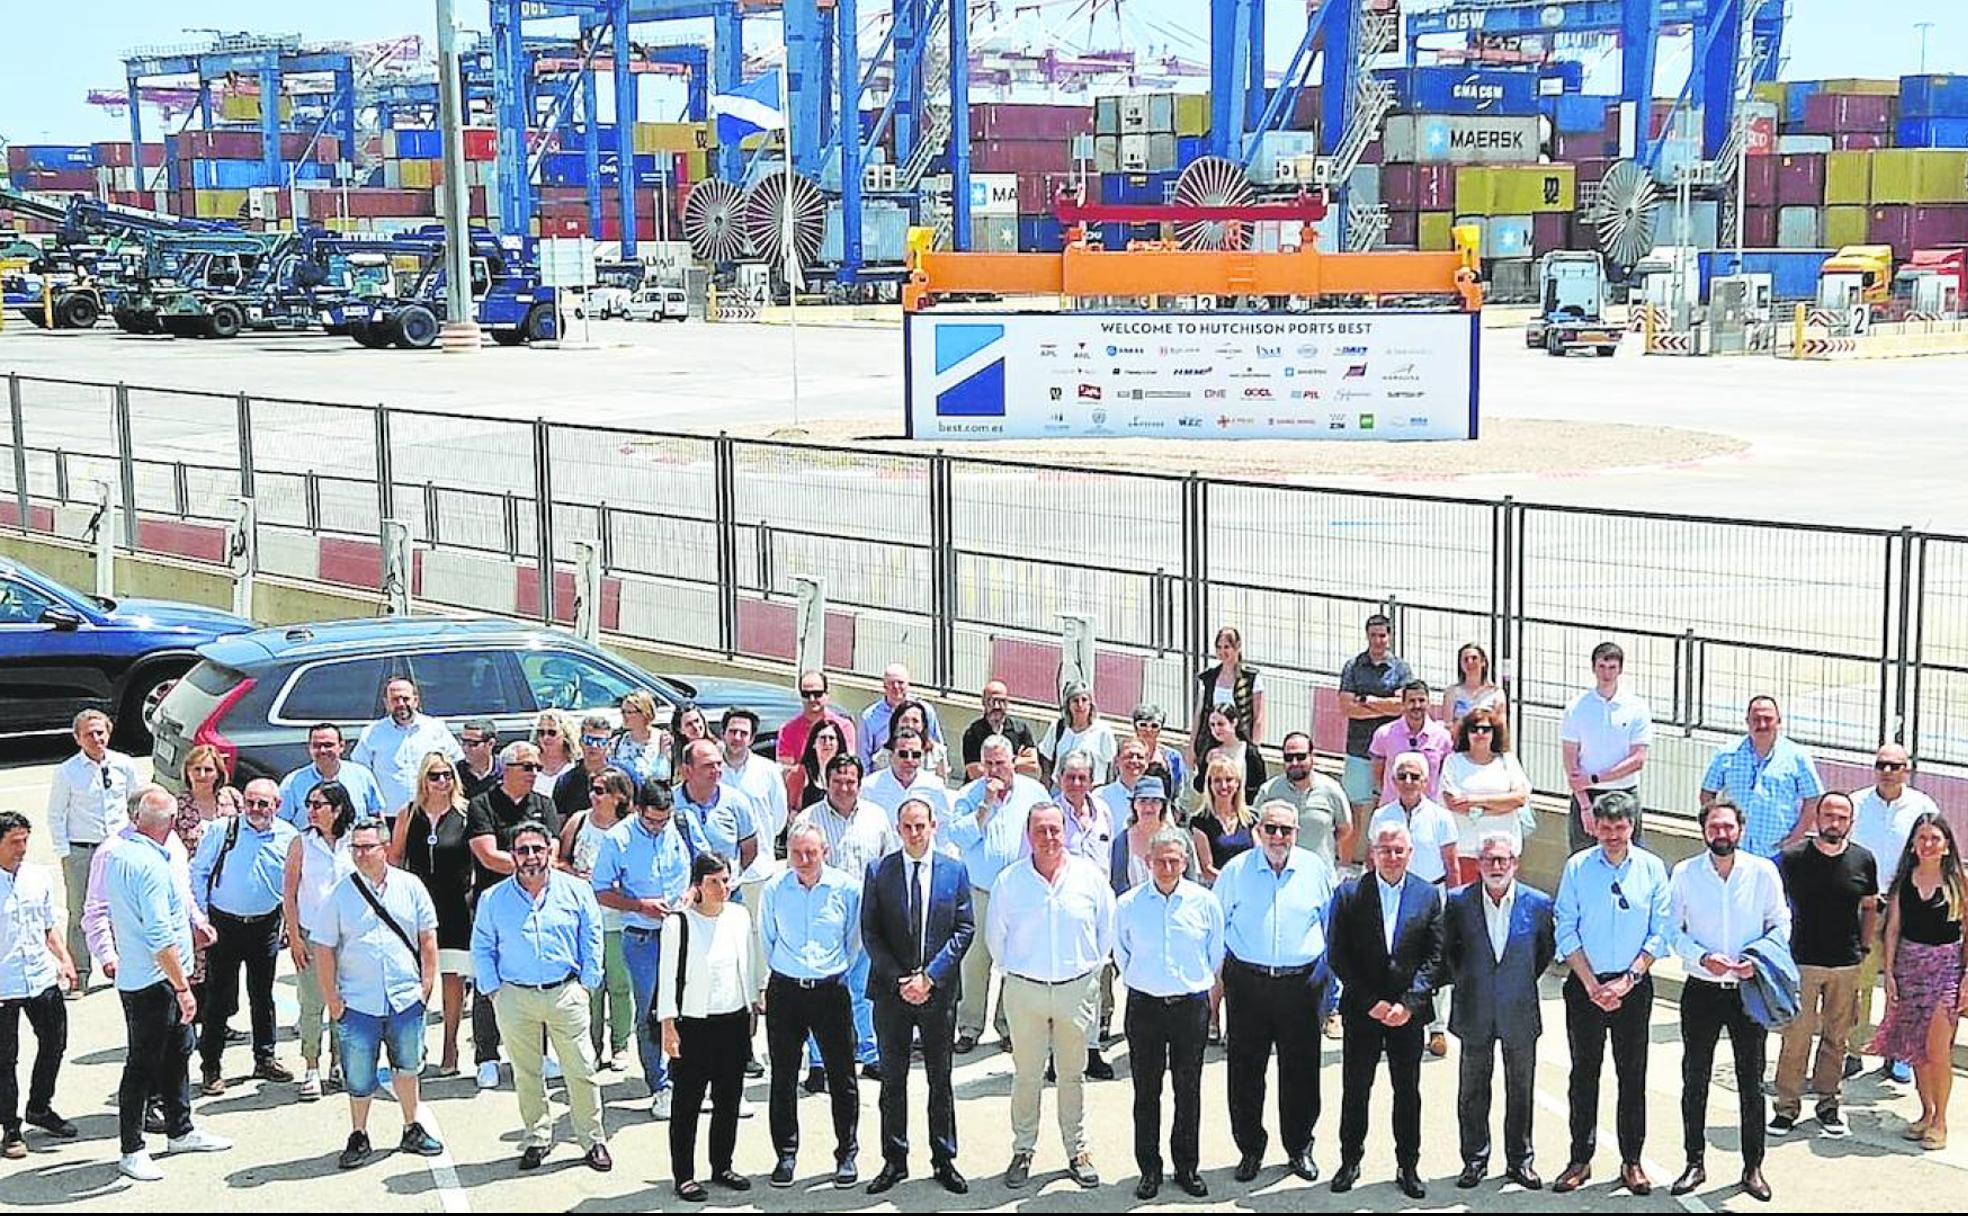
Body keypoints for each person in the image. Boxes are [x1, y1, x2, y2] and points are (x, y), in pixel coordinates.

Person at [469, 820, 611, 1172]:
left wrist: (588, 983)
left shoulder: (576, 891)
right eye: (522, 850)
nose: (531, 857)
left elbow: (592, 935)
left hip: (566, 992)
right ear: (512, 855)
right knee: (527, 1072)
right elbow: (482, 946)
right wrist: (493, 991)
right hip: (515, 996)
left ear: (550, 851)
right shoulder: (493, 898)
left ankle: (592, 1139)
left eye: (537, 849)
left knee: (581, 1070)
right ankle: (536, 1137)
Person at [105, 787, 232, 1182]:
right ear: (170, 823)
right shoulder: (148, 865)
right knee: (142, 1065)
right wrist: (182, 987)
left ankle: (181, 1129)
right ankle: (132, 1148)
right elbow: (159, 934)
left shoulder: (124, 853)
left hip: (151, 978)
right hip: (153, 983)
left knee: (179, 1050)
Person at [1668, 796, 1789, 1202]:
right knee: (1695, 1078)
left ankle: (1752, 1167)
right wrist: (1701, 957)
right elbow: (1672, 930)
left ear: (1740, 829)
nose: (1721, 833)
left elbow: (1780, 924)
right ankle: (1694, 1161)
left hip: (1747, 991)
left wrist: (1759, 961)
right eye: (1714, 827)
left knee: (1750, 1082)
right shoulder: (1685, 873)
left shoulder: (1763, 872)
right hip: (1701, 989)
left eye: (1728, 827)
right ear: (1704, 829)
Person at [990, 803, 1115, 1191]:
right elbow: (997, 938)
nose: (1048, 838)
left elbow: (1105, 929)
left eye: (1055, 830)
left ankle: (1077, 1151)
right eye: (1040, 830)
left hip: (1075, 988)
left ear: (1065, 832)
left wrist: (1089, 973)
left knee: (1072, 1075)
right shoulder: (1010, 881)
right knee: (1026, 1075)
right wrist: (1017, 974)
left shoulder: (1089, 877)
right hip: (1025, 990)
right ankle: (1023, 1149)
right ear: (1029, 835)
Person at [1551, 791, 1671, 1197]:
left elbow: (1660, 931)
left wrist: (1628, 980)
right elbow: (1565, 926)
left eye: (1621, 827)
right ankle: (1579, 1158)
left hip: (1632, 988)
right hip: (1586, 985)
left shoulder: (1653, 869)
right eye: (1606, 827)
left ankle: (1632, 1160)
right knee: (1583, 1074)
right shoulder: (1578, 867)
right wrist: (1590, 983)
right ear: (1594, 827)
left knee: (1631, 1074)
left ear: (1632, 826)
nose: (1613, 835)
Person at [313, 818, 444, 1170]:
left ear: (384, 848)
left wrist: (426, 986)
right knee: (359, 1076)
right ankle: (359, 1134)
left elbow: (427, 939)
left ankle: (411, 1126)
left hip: (404, 996)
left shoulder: (410, 886)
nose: (359, 854)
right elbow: (323, 947)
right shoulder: (341, 893)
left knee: (408, 1066)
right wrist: (333, 999)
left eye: (367, 847)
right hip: (358, 1001)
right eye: (354, 847)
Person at [1215, 800, 1335, 1185]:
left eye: (1286, 830)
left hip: (1301, 985)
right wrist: (1215, 990)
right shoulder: (1236, 871)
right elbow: (1216, 927)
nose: (1278, 837)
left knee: (1301, 1070)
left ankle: (1299, 1146)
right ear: (1258, 831)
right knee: (1245, 1071)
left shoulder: (1315, 869)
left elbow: (1330, 926)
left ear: (1297, 833)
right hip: (1248, 983)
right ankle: (1250, 1148)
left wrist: (1332, 987)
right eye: (1271, 829)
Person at [861, 798, 975, 1197]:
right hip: (892, 994)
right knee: (892, 1081)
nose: (914, 834)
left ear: (934, 826)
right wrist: (901, 979)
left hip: (938, 994)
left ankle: (944, 1159)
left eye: (921, 826)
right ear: (898, 828)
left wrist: (929, 977)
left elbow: (964, 929)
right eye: (907, 827)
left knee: (938, 1080)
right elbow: (870, 933)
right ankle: (894, 1159)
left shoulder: (954, 871)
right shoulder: (879, 871)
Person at [1328, 821, 1444, 1201]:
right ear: (1372, 852)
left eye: (1399, 851)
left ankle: (1407, 1165)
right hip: (1365, 1009)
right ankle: (1349, 1159)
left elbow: (1435, 956)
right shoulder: (1348, 895)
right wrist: (1370, 1003)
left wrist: (1409, 1004)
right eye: (1384, 850)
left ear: (1410, 854)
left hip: (1406, 1014)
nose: (1391, 857)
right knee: (1356, 1088)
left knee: (1407, 1091)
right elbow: (1338, 955)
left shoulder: (1427, 895)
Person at [1115, 826, 1224, 1201]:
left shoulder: (1204, 903)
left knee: (1187, 1089)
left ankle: (1187, 1166)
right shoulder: (1128, 905)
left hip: (1189, 1006)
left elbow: (1214, 953)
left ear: (1185, 862)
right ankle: (1149, 1168)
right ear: (1147, 862)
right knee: (1146, 1091)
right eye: (1159, 860)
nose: (1166, 867)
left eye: (1174, 861)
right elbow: (1121, 953)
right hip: (1144, 1005)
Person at [1443, 832, 1556, 1192]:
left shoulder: (1538, 904)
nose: (1496, 866)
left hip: (1519, 1009)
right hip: (1474, 1007)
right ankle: (1474, 1160)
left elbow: (1543, 953)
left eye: (1502, 860)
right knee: (1473, 1090)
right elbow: (1449, 952)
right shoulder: (1458, 902)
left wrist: (1514, 982)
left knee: (1520, 1090)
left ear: (1515, 864)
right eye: (1489, 859)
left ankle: (1519, 1160)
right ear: (1478, 864)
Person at [758, 822, 864, 1189]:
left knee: (842, 1075)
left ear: (825, 853)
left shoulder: (847, 889)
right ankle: (786, 1155)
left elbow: (854, 940)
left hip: (830, 990)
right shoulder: (775, 888)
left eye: (811, 853)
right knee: (784, 1077)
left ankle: (846, 1153)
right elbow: (767, 938)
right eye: (796, 853)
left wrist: (828, 970)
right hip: (786, 989)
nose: (803, 860)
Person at [593, 777, 704, 1119]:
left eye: (663, 820)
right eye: (651, 820)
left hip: (682, 930)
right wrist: (640, 905)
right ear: (638, 810)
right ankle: (660, 1085)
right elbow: (601, 890)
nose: (658, 826)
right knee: (652, 1012)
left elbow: (704, 866)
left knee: (691, 1006)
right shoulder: (618, 839)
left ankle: (690, 1077)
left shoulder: (682, 824)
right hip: (642, 937)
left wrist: (690, 894)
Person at [1773, 790, 1877, 1139]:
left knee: (1837, 1038)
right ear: (1817, 818)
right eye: (1828, 816)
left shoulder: (1864, 860)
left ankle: (1828, 1105)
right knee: (1796, 1038)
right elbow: (1772, 907)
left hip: (1846, 964)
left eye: (1842, 817)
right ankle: (1786, 1107)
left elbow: (1869, 906)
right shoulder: (1791, 859)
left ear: (1851, 822)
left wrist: (1864, 947)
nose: (1834, 823)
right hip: (1801, 961)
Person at [189, 777, 299, 1095]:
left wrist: (289, 924)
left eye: (263, 803)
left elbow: (294, 885)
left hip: (265, 925)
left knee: (262, 995)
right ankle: (211, 1066)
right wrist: (202, 918)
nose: (255, 809)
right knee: (218, 998)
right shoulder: (224, 830)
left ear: (277, 806)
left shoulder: (289, 837)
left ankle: (264, 1057)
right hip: (224, 925)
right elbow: (199, 871)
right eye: (250, 802)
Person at [658, 851, 757, 1203]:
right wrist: (668, 1027)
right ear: (697, 886)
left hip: (732, 1021)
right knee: (687, 1103)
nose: (722, 888)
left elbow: (749, 962)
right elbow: (667, 979)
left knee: (728, 1099)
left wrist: (754, 1006)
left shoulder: (739, 916)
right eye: (713, 882)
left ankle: (722, 1165)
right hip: (694, 1024)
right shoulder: (678, 923)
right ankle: (684, 1174)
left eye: (726, 880)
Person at [464, 742, 563, 1090]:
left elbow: (553, 850)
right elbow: (488, 855)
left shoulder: (544, 805)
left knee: (537, 974)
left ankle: (538, 1052)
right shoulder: (482, 805)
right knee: (489, 978)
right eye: (528, 767)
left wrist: (529, 863)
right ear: (507, 769)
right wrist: (528, 865)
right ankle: (487, 1056)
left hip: (538, 902)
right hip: (494, 903)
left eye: (537, 767)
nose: (535, 772)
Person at [794, 754, 899, 1077]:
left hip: (866, 917)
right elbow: (796, 869)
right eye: (837, 781)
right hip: (822, 917)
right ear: (826, 781)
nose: (844, 787)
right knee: (819, 995)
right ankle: (818, 1063)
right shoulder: (808, 820)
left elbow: (889, 866)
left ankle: (869, 1054)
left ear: (860, 783)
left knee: (864, 990)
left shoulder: (876, 818)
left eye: (850, 781)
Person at [945, 735, 1052, 1053]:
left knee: (1016, 960)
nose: (994, 770)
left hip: (1021, 892)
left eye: (1000, 764)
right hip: (980, 891)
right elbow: (958, 837)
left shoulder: (1034, 792)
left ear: (1012, 763)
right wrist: (985, 807)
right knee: (974, 962)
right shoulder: (969, 794)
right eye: (988, 764)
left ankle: (1007, 1025)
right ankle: (969, 1026)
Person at [1869, 811, 1968, 1152]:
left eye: (1935, 839)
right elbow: (1892, 929)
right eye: (1922, 838)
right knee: (1917, 1050)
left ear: (1946, 845)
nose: (1928, 844)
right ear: (1913, 843)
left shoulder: (1959, 882)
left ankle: (1941, 1121)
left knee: (1937, 1050)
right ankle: (1925, 1113)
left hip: (1946, 971)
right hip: (1909, 970)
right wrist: (1891, 973)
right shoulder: (1903, 882)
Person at [1846, 742, 1935, 1081]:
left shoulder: (1922, 806)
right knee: (1859, 982)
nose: (1887, 772)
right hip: (1865, 906)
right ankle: (1852, 1052)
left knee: (1903, 983)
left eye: (1895, 766)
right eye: (1882, 765)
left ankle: (1898, 1054)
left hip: (1907, 907)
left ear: (1907, 770)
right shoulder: (1856, 803)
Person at [390, 754, 476, 1078]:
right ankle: (415, 1044)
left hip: (456, 906)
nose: (442, 782)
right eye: (435, 776)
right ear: (423, 780)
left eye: (447, 775)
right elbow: (395, 859)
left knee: (453, 978)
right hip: (417, 907)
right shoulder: (409, 814)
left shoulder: (467, 814)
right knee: (416, 979)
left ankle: (450, 1047)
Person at [0, 811, 77, 1160]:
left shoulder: (37, 876)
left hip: (40, 975)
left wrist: (64, 958)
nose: (22, 848)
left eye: (25, 840)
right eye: (15, 842)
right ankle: (10, 1128)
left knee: (55, 1042)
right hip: (4, 984)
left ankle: (40, 1107)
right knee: (5, 1059)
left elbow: (47, 924)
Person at [47, 708, 141, 993]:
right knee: (80, 913)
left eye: (101, 732)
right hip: (82, 850)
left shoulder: (123, 765)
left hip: (117, 849)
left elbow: (135, 804)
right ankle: (80, 974)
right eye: (89, 734)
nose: (96, 739)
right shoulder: (67, 772)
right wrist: (65, 852)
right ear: (77, 738)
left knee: (122, 908)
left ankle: (123, 967)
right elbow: (56, 814)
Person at [282, 778, 354, 1101]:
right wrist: (294, 936)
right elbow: (290, 893)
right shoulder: (301, 843)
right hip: (313, 934)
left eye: (318, 805)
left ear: (337, 810)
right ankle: (311, 1066)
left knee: (345, 1001)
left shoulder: (354, 842)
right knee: (312, 1002)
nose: (311, 811)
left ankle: (340, 1064)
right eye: (309, 805)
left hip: (348, 934)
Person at [561, 767, 637, 1073]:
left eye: (602, 790)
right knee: (589, 985)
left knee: (620, 985)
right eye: (593, 789)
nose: (595, 795)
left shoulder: (631, 828)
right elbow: (560, 859)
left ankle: (621, 1045)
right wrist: (577, 877)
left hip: (619, 917)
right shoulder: (579, 821)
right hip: (583, 919)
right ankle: (591, 1047)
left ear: (619, 796)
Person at [1701, 695, 1825, 859]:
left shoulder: (1797, 756)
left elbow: (1813, 799)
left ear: (1778, 721)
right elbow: (1707, 793)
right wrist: (1719, 828)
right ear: (1747, 721)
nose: (1762, 724)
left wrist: (1795, 837)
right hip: (1736, 851)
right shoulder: (1726, 754)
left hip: (1777, 852)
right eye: (1756, 719)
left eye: (1768, 719)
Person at [1560, 642, 1653, 852]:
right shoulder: (1577, 707)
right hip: (1587, 795)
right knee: (1582, 857)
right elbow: (1570, 761)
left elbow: (1637, 760)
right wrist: (1584, 804)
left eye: (1612, 667)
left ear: (1620, 669)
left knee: (1630, 856)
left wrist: (1596, 778)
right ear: (1593, 668)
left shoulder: (1636, 707)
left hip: (1624, 793)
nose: (1607, 673)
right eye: (1602, 666)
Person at [1338, 614, 1414, 864]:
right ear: (1367, 636)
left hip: (1390, 753)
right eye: (1374, 635)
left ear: (1390, 636)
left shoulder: (1401, 669)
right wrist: (1385, 704)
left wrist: (1367, 701)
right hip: (1359, 751)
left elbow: (1401, 707)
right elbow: (1347, 707)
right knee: (1354, 816)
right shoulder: (1353, 666)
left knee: (1384, 817)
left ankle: (1377, 871)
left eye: (1383, 635)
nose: (1378, 640)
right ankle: (1344, 869)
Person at [1440, 707, 1534, 884]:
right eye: (1474, 729)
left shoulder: (1507, 760)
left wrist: (1474, 801)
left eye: (1486, 729)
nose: (1480, 733)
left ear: (1494, 733)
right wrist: (1501, 807)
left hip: (1502, 851)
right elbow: (1453, 803)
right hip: (1465, 850)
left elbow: (1519, 799)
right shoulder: (1453, 761)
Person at [351, 677, 463, 820]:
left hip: (430, 814)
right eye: (395, 700)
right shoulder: (371, 733)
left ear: (415, 700)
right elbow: (360, 774)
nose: (401, 704)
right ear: (386, 703)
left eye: (405, 699)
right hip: (390, 816)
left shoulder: (436, 729)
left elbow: (457, 764)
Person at [1257, 731, 1352, 872]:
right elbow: (1255, 828)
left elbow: (1345, 829)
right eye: (1288, 757)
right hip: (1277, 874)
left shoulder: (1332, 790)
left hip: (1319, 873)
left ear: (1313, 757)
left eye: (1300, 757)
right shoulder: (1269, 791)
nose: (1294, 763)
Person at [1369, 752, 1459, 891]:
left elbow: (1452, 866)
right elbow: (1372, 858)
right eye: (1402, 776)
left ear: (1425, 782)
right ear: (1394, 781)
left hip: (1431, 892)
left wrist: (1454, 906)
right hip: (1390, 892)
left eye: (1415, 777)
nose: (1408, 781)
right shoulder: (1381, 816)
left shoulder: (1442, 817)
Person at [675, 739, 761, 881]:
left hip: (726, 892)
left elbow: (749, 847)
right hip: (683, 893)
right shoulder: (672, 802)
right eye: (708, 765)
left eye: (719, 764)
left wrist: (729, 877)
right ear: (687, 770)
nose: (716, 770)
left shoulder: (737, 801)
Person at [277, 723, 386, 830]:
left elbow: (377, 817)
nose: (323, 750)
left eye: (328, 745)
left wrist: (384, 843)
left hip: (355, 845)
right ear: (309, 748)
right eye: (317, 746)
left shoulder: (362, 776)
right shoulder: (292, 782)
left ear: (342, 746)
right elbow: (280, 824)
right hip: (310, 846)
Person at [1108, 777, 1200, 896]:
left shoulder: (1181, 838)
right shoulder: (1122, 841)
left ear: (1162, 805)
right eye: (1143, 801)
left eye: (1154, 801)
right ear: (1134, 805)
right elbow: (1118, 885)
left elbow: (1192, 881)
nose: (1148, 807)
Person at [1370, 681, 1453, 809]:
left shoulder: (1443, 737)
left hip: (1428, 811)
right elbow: (1378, 774)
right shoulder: (1384, 734)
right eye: (1411, 701)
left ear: (1428, 703)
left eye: (1421, 700)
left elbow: (1444, 776)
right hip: (1392, 808)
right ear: (1403, 704)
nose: (1417, 705)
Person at [719, 708, 789, 852]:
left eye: (743, 733)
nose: (737, 737)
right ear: (723, 734)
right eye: (732, 731)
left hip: (759, 866)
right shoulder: (711, 769)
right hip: (719, 864)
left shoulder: (768, 770)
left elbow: (779, 818)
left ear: (751, 739)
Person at [859, 664, 945, 768]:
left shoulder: (925, 711)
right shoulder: (870, 717)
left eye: (900, 682)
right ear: (884, 686)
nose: (896, 687)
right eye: (891, 683)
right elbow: (863, 756)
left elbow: (937, 746)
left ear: (908, 684)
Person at [863, 727, 951, 827]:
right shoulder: (869, 787)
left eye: (916, 755)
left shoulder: (935, 786)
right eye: (903, 754)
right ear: (891, 756)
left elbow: (945, 823)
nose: (909, 760)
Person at [1195, 624, 1266, 749]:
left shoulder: (1251, 678)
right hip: (1211, 744)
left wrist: (1254, 748)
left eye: (1227, 647)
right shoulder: (1209, 677)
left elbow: (1258, 718)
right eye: (1219, 647)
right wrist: (1192, 746)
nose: (1222, 651)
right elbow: (1199, 715)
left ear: (1237, 646)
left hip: (1240, 743)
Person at [776, 669, 859, 775]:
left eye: (817, 694)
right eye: (806, 694)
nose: (811, 699)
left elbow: (848, 768)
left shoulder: (845, 727)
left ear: (826, 694)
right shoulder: (787, 730)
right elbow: (785, 772)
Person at [1191, 754, 1257, 886]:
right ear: (1209, 784)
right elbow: (1207, 869)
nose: (1224, 785)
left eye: (1229, 779)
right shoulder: (1200, 822)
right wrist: (1234, 882)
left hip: (1249, 886)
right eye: (1217, 780)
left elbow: (1259, 856)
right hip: (1217, 888)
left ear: (1237, 783)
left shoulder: (1251, 819)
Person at [1038, 680, 1117, 787]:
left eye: (1084, 700)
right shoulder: (1058, 727)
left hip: (1092, 790)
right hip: (1060, 789)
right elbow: (1046, 756)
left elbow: (1111, 763)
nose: (1080, 705)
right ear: (1068, 705)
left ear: (1091, 704)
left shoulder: (1103, 731)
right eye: (1075, 700)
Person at [961, 679, 1041, 781]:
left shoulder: (1020, 729)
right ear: (983, 702)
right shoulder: (973, 733)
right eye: (991, 701)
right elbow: (975, 772)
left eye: (1002, 701)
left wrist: (993, 765)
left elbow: (1033, 764)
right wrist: (1015, 761)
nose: (997, 706)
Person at [174, 745, 243, 855]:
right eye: (197, 769)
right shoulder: (177, 805)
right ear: (188, 772)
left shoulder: (232, 797)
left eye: (208, 770)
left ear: (218, 774)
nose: (202, 775)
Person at [1191, 706, 1266, 803]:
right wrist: (1206, 766)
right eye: (1212, 725)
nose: (1216, 729)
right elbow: (1199, 787)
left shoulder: (1249, 752)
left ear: (1234, 722)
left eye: (1221, 724)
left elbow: (1259, 785)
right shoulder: (1210, 751)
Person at [551, 714, 618, 818]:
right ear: (580, 742)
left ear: (609, 745)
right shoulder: (566, 781)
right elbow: (560, 819)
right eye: (589, 740)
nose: (593, 746)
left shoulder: (623, 778)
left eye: (600, 742)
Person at [872, 701, 950, 783]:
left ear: (923, 725)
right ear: (896, 723)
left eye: (915, 721)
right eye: (905, 720)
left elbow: (942, 786)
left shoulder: (937, 753)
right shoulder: (883, 756)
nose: (910, 725)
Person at [610, 691, 672, 785]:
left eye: (630, 712)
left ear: (645, 713)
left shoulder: (662, 740)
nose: (625, 716)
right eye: (623, 712)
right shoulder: (617, 742)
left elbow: (664, 775)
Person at [792, 718, 850, 816]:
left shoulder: (847, 773)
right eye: (823, 738)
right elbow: (792, 810)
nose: (827, 743)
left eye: (831, 738)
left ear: (838, 743)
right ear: (813, 743)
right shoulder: (800, 773)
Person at [1129, 704, 1187, 799]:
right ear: (1135, 726)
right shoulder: (1125, 755)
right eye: (1143, 725)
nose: (1148, 730)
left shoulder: (1173, 757)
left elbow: (1180, 790)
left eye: (1154, 726)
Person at [1442, 641, 1506, 727]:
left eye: (1474, 658)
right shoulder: (1451, 692)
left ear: (1483, 662)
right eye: (1466, 659)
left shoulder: (1496, 693)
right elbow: (1448, 724)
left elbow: (1501, 724)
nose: (1470, 662)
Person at [530, 709, 579, 796]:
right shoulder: (530, 764)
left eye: (552, 733)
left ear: (566, 735)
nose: (546, 737)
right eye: (541, 733)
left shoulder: (575, 766)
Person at [456, 719, 504, 801]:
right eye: (463, 742)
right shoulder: (456, 772)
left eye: (472, 744)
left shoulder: (505, 770)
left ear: (490, 744)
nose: (465, 748)